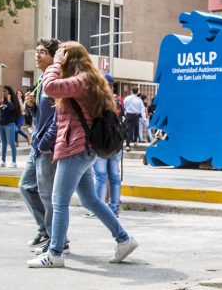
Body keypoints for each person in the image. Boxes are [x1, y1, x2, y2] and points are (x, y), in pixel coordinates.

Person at [27, 41, 138, 268]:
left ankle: (55, 253)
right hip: (81, 148)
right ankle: (124, 239)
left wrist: (56, 63)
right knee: (90, 200)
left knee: (59, 202)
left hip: (75, 148)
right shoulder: (87, 79)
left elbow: (49, 87)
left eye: (61, 57)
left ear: (69, 58)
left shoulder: (81, 80)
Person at [19, 38, 63, 251]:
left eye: (42, 52)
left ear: (53, 56)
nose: (37, 56)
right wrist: (32, 107)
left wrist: (47, 143)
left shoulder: (55, 81)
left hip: (46, 147)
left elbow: (58, 117)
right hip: (38, 144)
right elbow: (41, 116)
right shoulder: (42, 80)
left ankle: (58, 241)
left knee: (48, 195)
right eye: (36, 51)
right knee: (26, 186)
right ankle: (46, 231)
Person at [92, 73, 124, 218]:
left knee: (100, 176)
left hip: (101, 143)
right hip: (115, 143)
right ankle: (114, 209)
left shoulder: (98, 100)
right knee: (114, 177)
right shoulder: (118, 100)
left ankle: (99, 210)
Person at [0, 85, 20, 168]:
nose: (3, 93)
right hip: (1, 125)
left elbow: (13, 110)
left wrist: (9, 100)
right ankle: (3, 161)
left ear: (9, 93)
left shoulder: (13, 102)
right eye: (2, 91)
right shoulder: (2, 101)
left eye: (5, 91)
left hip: (10, 124)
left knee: (12, 143)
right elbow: (0, 111)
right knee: (4, 144)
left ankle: (14, 162)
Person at [123, 87, 144, 151]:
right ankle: (135, 141)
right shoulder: (139, 100)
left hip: (128, 114)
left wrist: (125, 113)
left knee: (129, 130)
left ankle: (127, 145)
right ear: (137, 92)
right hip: (136, 115)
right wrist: (144, 118)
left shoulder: (126, 98)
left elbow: (124, 106)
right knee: (136, 128)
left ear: (131, 91)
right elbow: (142, 109)